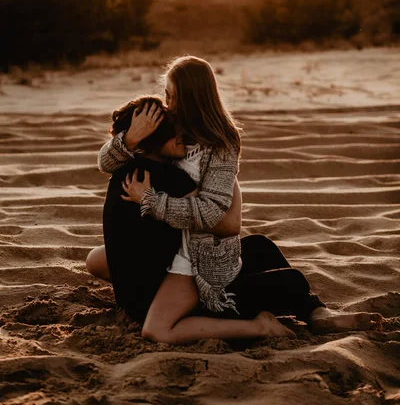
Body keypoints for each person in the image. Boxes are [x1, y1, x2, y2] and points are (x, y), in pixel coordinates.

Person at [91, 55, 383, 343]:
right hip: (173, 230)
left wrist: (153, 202)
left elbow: (224, 222)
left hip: (196, 240)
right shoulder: (165, 125)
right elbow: (107, 163)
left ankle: (314, 311)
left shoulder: (218, 143)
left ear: (191, 98)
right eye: (166, 94)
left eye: (171, 96)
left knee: (254, 252)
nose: (167, 103)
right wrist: (130, 138)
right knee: (99, 260)